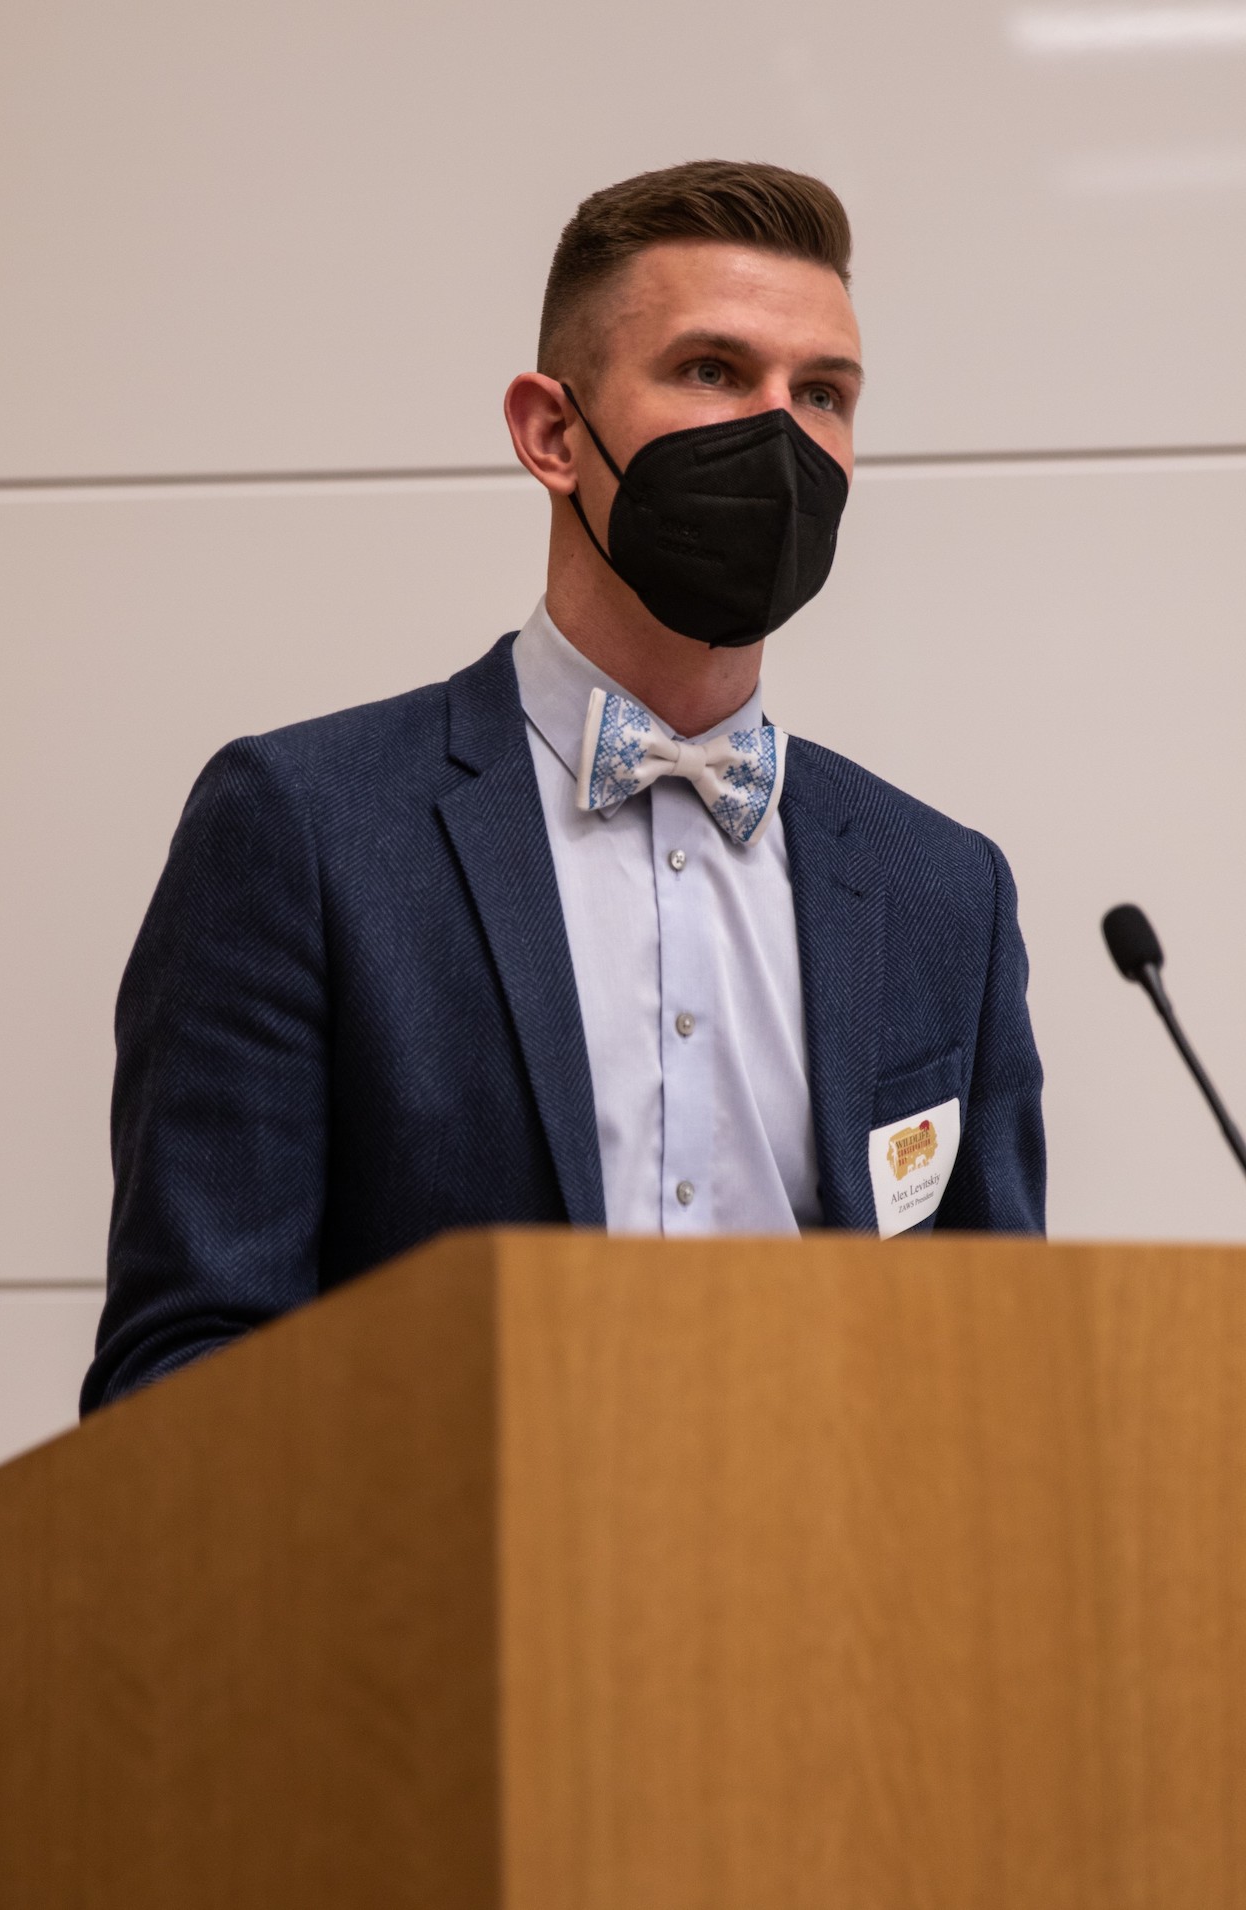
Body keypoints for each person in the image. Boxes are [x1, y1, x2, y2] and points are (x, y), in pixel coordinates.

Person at [81, 160, 1045, 1413]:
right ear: (550, 432)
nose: (779, 433)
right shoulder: (304, 828)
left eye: (822, 393)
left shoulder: (940, 888)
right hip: (443, 1593)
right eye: (711, 371)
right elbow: (186, 1365)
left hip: (835, 1599)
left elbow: (1014, 1372)